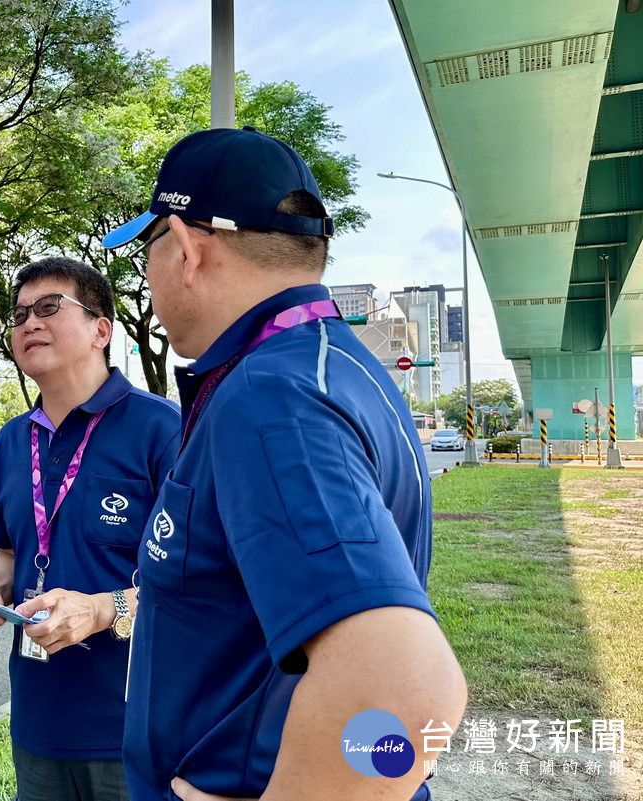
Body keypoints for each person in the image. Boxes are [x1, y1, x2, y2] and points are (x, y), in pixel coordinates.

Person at [100, 127, 468, 801]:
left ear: (184, 248)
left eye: (146, 252)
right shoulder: (340, 367)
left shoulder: (269, 399)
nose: (147, 278)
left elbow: (409, 693)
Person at [0, 257, 180, 801]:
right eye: (20, 314)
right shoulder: (11, 442)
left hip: (136, 724)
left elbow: (203, 585)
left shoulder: (163, 428)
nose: (29, 322)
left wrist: (102, 609)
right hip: (39, 719)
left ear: (102, 329)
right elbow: (11, 559)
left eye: (50, 307)